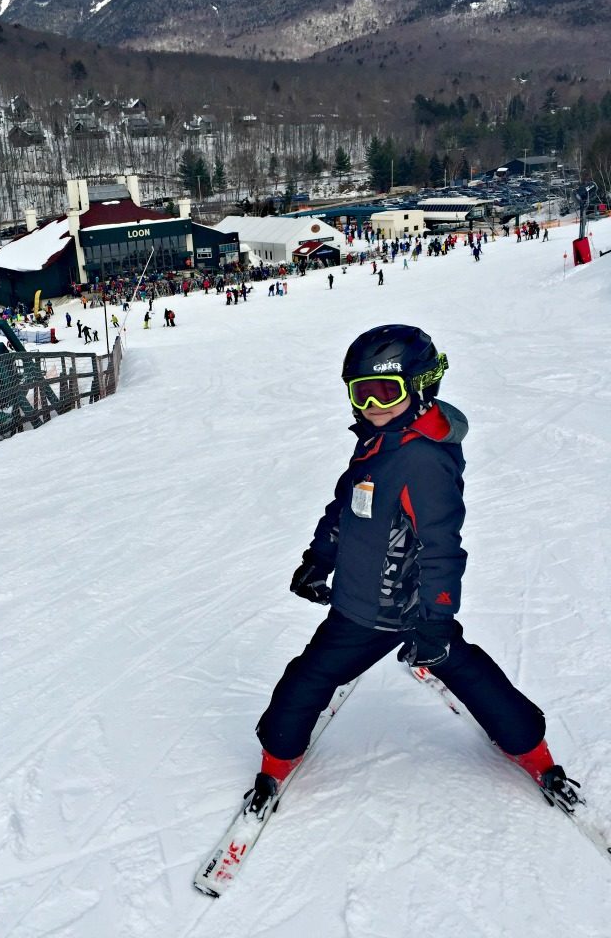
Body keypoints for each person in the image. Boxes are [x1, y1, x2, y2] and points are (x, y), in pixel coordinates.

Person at [248, 324, 579, 816]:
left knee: (316, 681)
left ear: (421, 387)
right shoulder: (379, 440)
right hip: (357, 602)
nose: (372, 405)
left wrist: (437, 622)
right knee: (309, 681)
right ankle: (277, 759)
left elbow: (442, 547)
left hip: (394, 610)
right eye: (361, 393)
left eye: (386, 391)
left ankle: (535, 754)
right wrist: (320, 558)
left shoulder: (422, 460)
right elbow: (347, 505)